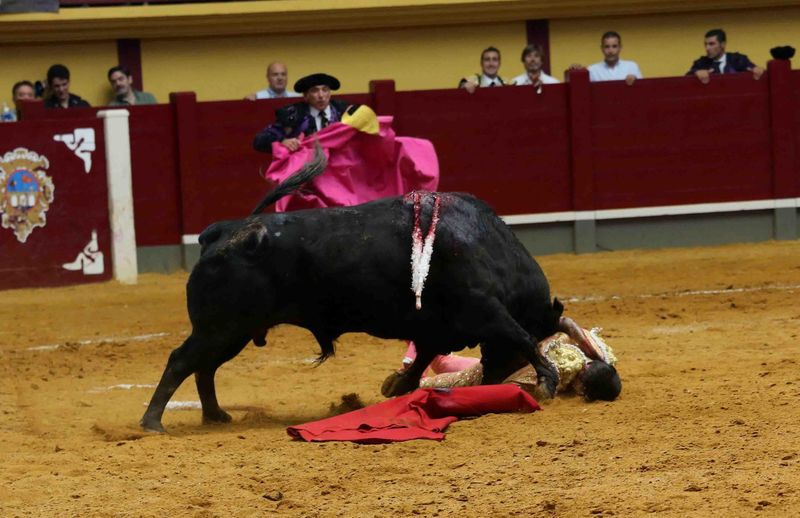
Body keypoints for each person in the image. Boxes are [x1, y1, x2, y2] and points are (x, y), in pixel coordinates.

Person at [386, 316, 621, 402]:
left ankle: (412, 335)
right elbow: (508, 390)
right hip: (492, 372)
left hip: (490, 364)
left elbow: (566, 323)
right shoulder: (560, 373)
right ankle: (410, 365)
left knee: (444, 362)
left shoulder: (595, 353)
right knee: (421, 387)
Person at [252, 72, 351, 153]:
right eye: (315, 91)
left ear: (330, 93)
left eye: (325, 90)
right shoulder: (294, 114)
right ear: (306, 96)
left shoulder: (342, 112)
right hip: (306, 170)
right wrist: (282, 141)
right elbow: (259, 140)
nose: (321, 95)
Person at [687, 29, 764, 84]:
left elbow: (753, 69)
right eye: (705, 44)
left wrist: (758, 69)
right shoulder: (701, 63)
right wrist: (696, 73)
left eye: (711, 44)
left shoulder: (738, 59)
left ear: (723, 44)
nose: (707, 48)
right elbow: (687, 77)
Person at [572, 31, 642, 85]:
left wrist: (636, 82)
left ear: (620, 47)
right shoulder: (592, 70)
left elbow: (641, 90)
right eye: (607, 47)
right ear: (602, 48)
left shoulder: (632, 67)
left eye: (614, 46)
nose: (610, 51)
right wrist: (576, 71)